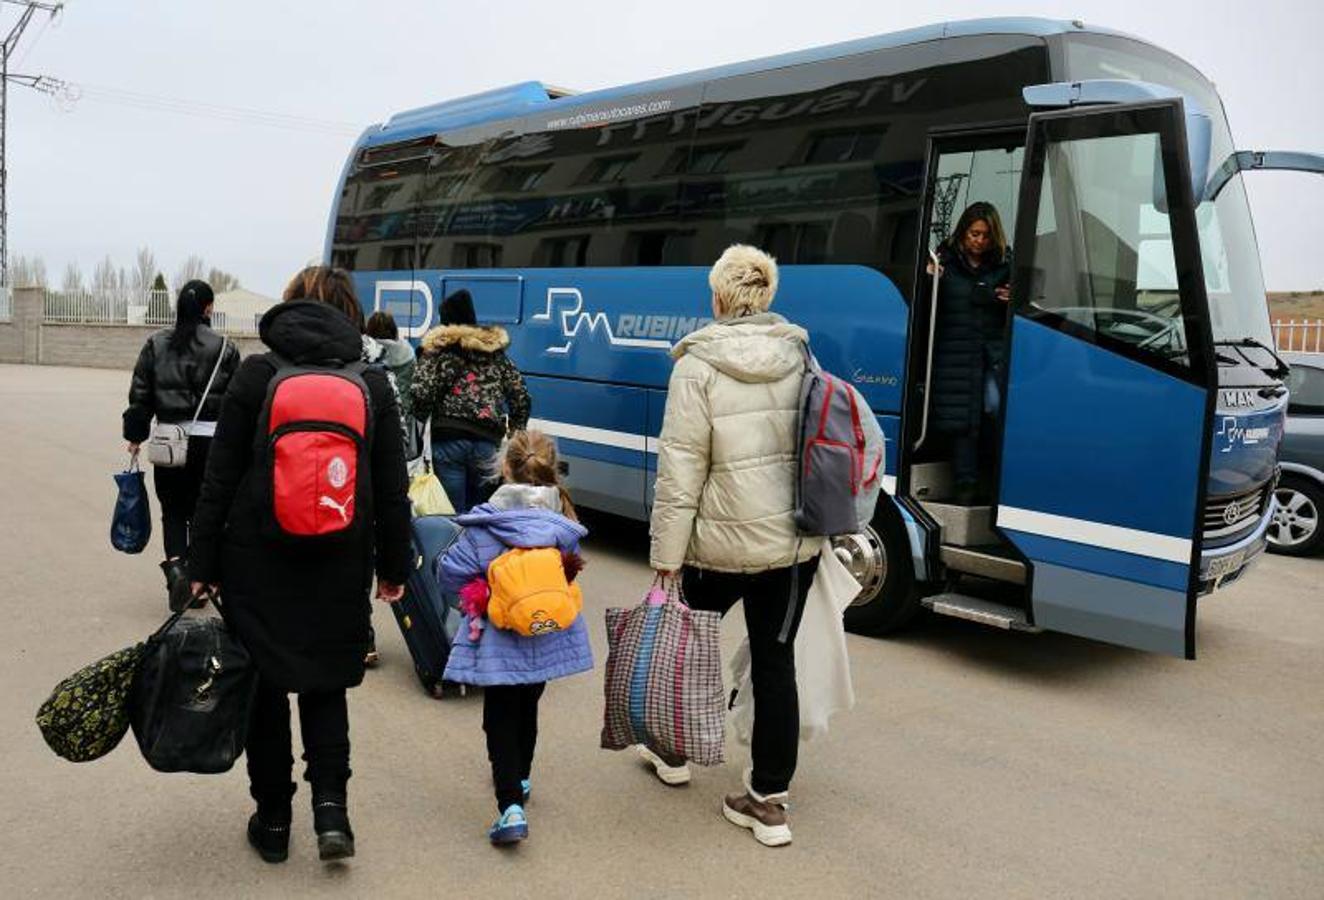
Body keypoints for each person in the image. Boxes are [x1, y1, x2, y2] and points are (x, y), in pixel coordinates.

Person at [187, 266, 411, 865]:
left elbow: (219, 477)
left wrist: (201, 562)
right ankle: (332, 812)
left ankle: (275, 819)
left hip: (255, 557)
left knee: (264, 687)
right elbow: (393, 488)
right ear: (348, 312)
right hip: (340, 556)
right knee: (325, 683)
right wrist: (394, 567)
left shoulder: (258, 372)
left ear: (289, 308)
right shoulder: (372, 383)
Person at [648, 244, 821, 848]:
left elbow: (681, 473)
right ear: (766, 296)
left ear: (719, 296)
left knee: (688, 649)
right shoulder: (801, 353)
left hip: (715, 545)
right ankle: (768, 801)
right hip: (791, 545)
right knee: (776, 664)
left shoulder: (696, 364)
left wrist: (665, 558)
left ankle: (672, 753)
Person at [435, 430, 592, 846]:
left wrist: (478, 590)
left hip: (498, 639)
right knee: (527, 706)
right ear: (551, 470)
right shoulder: (564, 524)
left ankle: (509, 807)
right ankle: (521, 778)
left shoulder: (487, 525)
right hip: (545, 635)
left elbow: (449, 573)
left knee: (499, 717)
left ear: (504, 467)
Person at [122, 279, 240, 608]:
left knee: (173, 511)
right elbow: (237, 401)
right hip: (211, 444)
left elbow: (140, 393)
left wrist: (135, 434)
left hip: (168, 441)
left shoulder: (155, 344)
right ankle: (201, 581)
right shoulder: (225, 348)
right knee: (208, 512)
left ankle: (177, 572)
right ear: (208, 308)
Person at [411, 289, 531, 513]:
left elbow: (421, 394)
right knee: (482, 515)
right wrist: (516, 430)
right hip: (487, 441)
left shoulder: (438, 352)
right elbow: (520, 395)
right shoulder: (496, 354)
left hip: (448, 440)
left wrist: (424, 415)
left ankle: (455, 546)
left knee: (452, 514)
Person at [928, 201, 1012, 504]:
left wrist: (1009, 300)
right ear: (963, 232)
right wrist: (930, 281)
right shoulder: (942, 263)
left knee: (994, 408)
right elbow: (929, 310)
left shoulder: (1004, 265)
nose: (979, 241)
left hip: (990, 354)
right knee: (962, 422)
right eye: (974, 234)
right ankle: (966, 485)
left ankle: (992, 479)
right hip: (956, 354)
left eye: (986, 235)